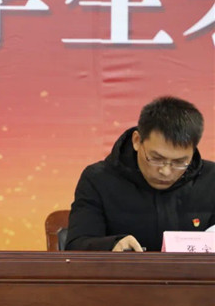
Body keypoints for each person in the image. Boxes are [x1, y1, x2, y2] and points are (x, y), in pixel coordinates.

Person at [65, 96, 215, 252]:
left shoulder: (211, 180)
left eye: (179, 162)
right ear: (137, 140)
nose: (165, 171)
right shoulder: (98, 179)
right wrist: (112, 245)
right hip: (122, 268)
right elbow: (76, 245)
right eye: (156, 159)